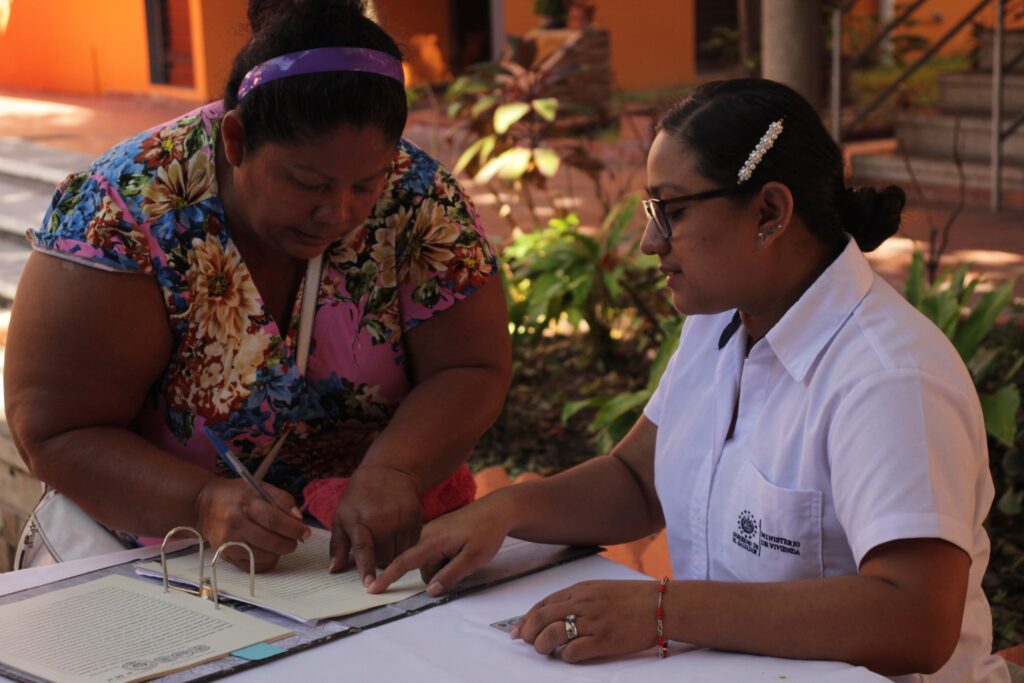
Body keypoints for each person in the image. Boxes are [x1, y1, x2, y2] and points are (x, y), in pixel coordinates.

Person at [371, 78, 1011, 682]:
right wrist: (505, 510)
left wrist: (660, 611)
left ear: (769, 211)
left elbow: (916, 619)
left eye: (670, 209)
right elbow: (636, 480)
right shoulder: (725, 323)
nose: (650, 241)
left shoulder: (888, 378)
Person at [4, 0, 511, 582]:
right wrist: (202, 503)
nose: (337, 213)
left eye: (366, 184)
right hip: (158, 563)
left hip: (357, 564)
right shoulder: (126, 210)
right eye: (306, 183)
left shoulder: (421, 198)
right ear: (237, 140)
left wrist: (393, 473)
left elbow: (470, 367)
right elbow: (56, 429)